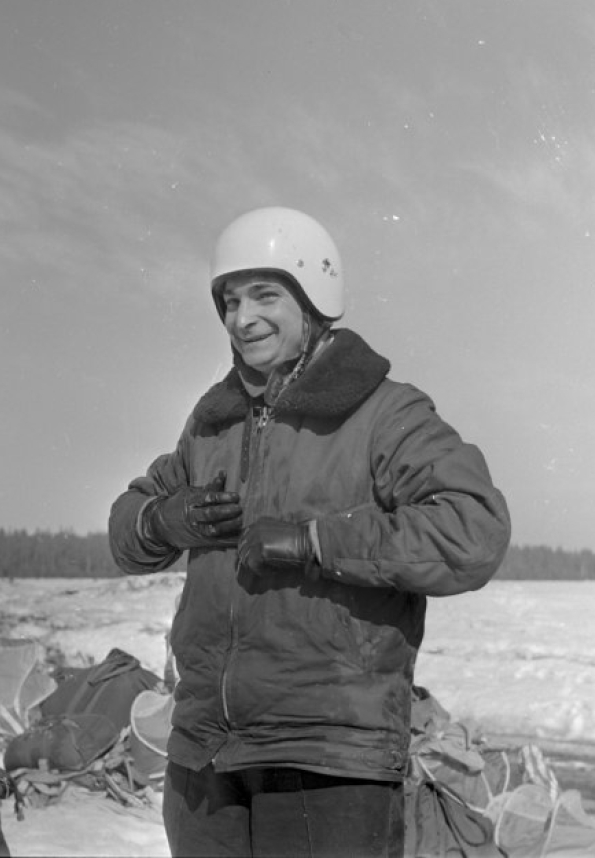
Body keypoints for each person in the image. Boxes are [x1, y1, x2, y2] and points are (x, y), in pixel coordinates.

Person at [108, 206, 511, 858]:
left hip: (327, 759)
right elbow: (126, 528)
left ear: (314, 298)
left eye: (264, 295)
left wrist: (316, 542)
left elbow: (472, 529)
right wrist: (162, 518)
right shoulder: (211, 424)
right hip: (204, 758)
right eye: (230, 301)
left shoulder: (383, 412)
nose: (242, 318)